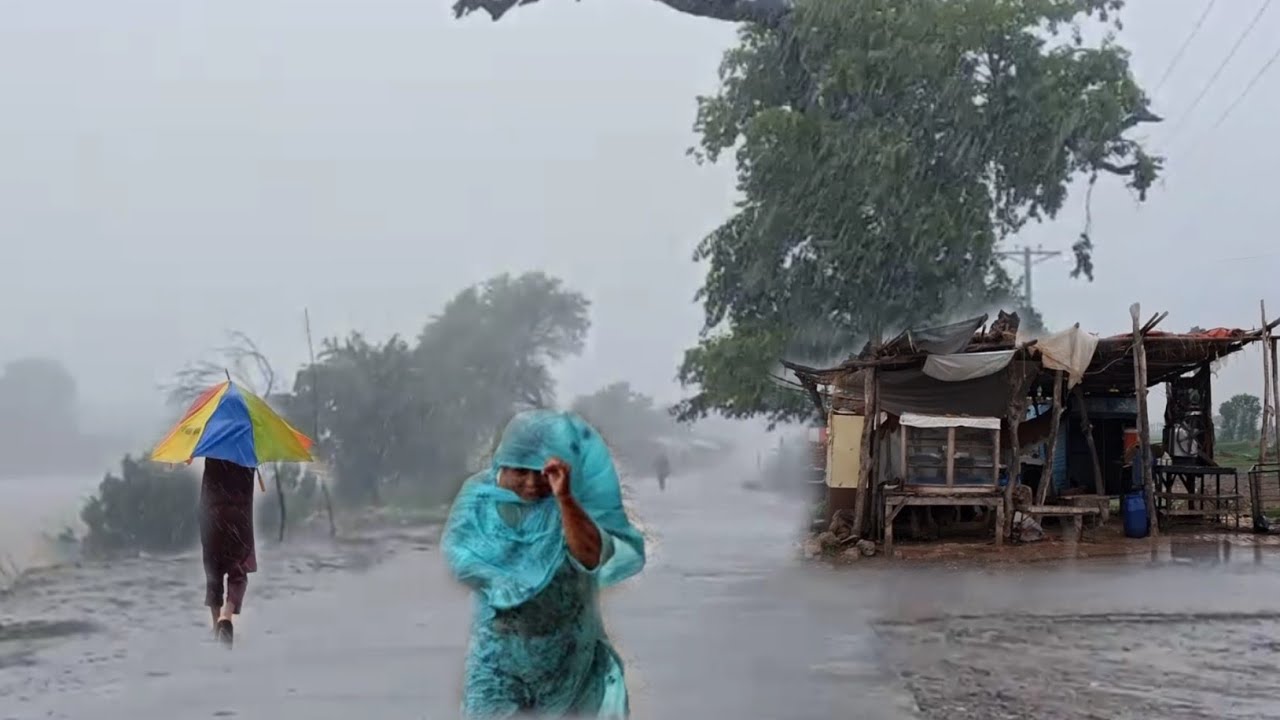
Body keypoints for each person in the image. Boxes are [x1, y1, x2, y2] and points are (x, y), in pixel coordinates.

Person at [443, 410, 646, 718]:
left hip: (569, 661)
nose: (532, 483)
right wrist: (500, 582)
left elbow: (591, 556)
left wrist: (564, 498)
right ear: (502, 463)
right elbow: (459, 553)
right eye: (520, 471)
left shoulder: (575, 501)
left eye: (542, 472)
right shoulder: (478, 497)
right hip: (498, 660)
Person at [200, 458, 258, 648]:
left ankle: (217, 622)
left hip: (213, 515)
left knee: (213, 568)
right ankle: (227, 616)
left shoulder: (213, 444)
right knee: (238, 570)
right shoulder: (247, 449)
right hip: (239, 517)